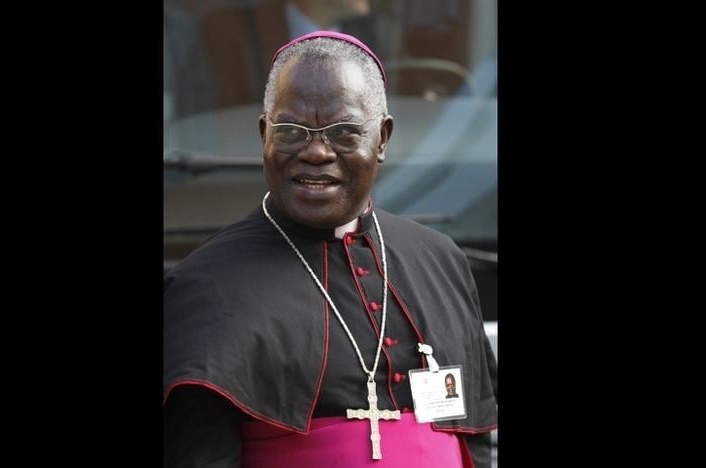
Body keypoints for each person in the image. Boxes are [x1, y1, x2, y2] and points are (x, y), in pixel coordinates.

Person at [164, 31, 497, 467]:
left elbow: (473, 437)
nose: (316, 151)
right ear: (264, 135)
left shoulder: (441, 260)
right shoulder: (205, 288)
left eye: (343, 131)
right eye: (291, 131)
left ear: (382, 138)